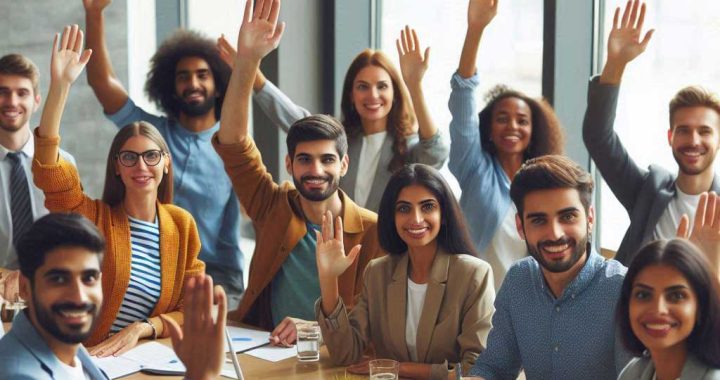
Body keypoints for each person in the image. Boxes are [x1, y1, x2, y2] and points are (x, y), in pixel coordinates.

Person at [212, 0, 382, 342]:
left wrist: (316, 330)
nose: (315, 169)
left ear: (343, 164)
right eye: (304, 159)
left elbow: (377, 322)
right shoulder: (272, 205)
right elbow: (232, 143)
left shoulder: (372, 230)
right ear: (289, 164)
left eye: (327, 160)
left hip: (336, 363)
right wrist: (248, 62)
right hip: (264, 349)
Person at [32, 24, 204, 356]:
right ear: (117, 166)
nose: (141, 167)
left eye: (151, 156)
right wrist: (61, 86)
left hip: (149, 359)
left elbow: (192, 307)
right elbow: (49, 168)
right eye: (130, 157)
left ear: (166, 162)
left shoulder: (181, 224)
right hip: (89, 360)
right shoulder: (91, 217)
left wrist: (142, 328)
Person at [83, 0, 245, 307]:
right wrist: (94, 13)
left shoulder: (233, 145)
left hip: (216, 280)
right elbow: (101, 82)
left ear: (220, 83)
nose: (193, 83)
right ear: (171, 87)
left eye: (202, 74)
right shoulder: (149, 136)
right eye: (183, 76)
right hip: (147, 275)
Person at [218, 22, 449, 213]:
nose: (373, 95)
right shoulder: (340, 140)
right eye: (363, 86)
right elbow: (294, 118)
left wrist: (414, 85)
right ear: (351, 94)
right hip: (336, 249)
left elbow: (435, 153)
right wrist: (250, 72)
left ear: (395, 93)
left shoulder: (406, 147)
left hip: (384, 256)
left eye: (382, 86)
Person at [315, 164, 495, 380]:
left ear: (444, 214)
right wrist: (328, 278)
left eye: (427, 207)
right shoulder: (377, 273)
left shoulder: (474, 274)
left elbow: (476, 368)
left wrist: (399, 367)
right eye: (404, 208)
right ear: (392, 217)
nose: (416, 219)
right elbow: (345, 353)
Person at [467, 155, 630, 379]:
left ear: (590, 219)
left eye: (568, 216)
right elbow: (494, 368)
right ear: (520, 226)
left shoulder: (622, 289)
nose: (555, 234)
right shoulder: (518, 280)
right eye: (538, 220)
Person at [583, 0, 720, 265]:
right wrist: (615, 64)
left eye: (704, 131)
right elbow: (598, 137)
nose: (693, 140)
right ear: (670, 137)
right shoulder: (648, 190)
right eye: (684, 130)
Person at [448, 0, 564, 289]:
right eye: (503, 118)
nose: (513, 126)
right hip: (475, 306)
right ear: (488, 128)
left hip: (532, 309)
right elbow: (463, 98)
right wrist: (475, 29)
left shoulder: (546, 184)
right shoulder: (475, 170)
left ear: (533, 130)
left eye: (522, 120)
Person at [0, 53, 77, 302]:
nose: (11, 101)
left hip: (49, 291)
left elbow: (70, 238)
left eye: (21, 93)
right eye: (3, 91)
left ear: (36, 101)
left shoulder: (62, 163)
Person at [0, 213, 108, 379]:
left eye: (89, 278)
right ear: (24, 287)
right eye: (58, 279)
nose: (79, 297)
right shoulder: (18, 375)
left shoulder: (68, 345)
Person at [616, 238, 720, 380]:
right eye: (643, 295)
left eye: (676, 296)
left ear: (700, 306)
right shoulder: (632, 373)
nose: (658, 309)